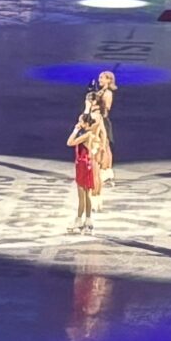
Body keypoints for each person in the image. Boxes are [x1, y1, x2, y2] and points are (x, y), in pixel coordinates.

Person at [67, 90, 104, 234]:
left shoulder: (85, 135)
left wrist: (76, 130)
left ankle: (78, 219)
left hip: (82, 165)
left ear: (85, 123)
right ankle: (88, 220)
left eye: (80, 121)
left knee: (81, 196)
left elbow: (70, 142)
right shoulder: (90, 133)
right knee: (87, 195)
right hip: (87, 163)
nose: (78, 122)